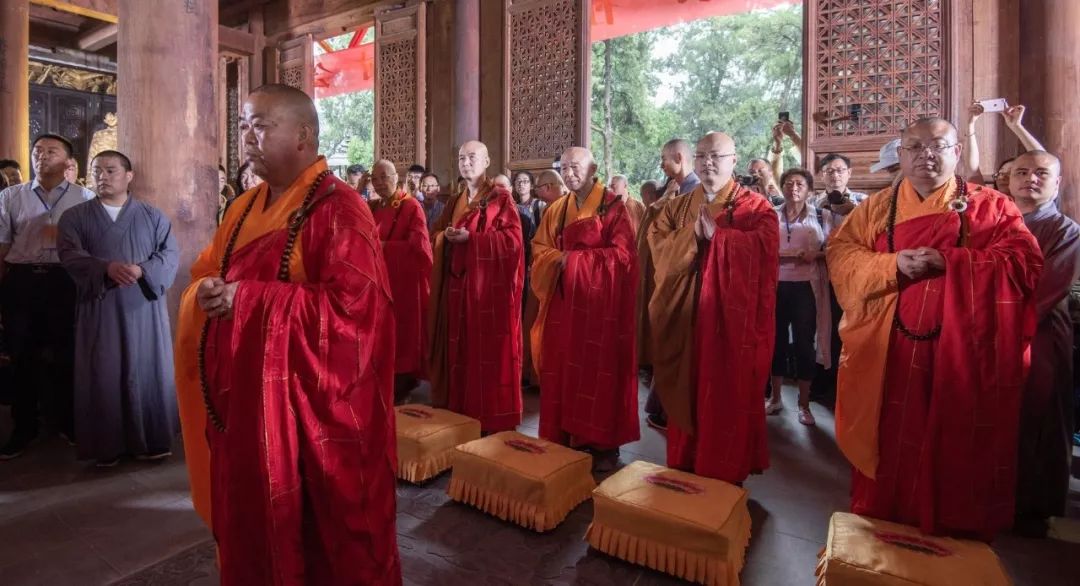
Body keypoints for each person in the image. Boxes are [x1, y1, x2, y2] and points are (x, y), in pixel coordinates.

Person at [174, 84, 401, 584]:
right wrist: (207, 293)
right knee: (253, 530)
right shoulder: (241, 209)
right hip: (245, 407)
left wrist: (249, 299)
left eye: (260, 125)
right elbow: (204, 273)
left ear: (303, 135)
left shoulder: (340, 210)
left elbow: (357, 316)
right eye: (242, 126)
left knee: (326, 542)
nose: (246, 137)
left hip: (314, 420)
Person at [827, 117, 1042, 540]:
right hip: (889, 350)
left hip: (961, 355)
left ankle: (951, 532)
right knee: (890, 439)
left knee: (953, 444)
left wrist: (955, 263)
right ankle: (881, 527)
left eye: (938, 146)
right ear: (901, 155)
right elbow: (840, 255)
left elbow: (1025, 263)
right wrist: (890, 265)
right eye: (915, 147)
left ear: (957, 153)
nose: (927, 155)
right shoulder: (874, 209)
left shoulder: (991, 206)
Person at [648, 131, 779, 484]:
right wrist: (690, 238)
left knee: (725, 392)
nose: (708, 163)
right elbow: (657, 245)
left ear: (733, 160)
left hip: (730, 323)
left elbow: (766, 251)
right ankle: (684, 459)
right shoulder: (677, 206)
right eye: (702, 155)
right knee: (687, 386)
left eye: (716, 156)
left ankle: (725, 469)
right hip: (688, 316)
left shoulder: (757, 207)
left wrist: (720, 239)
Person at [57, 150, 180, 467]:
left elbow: (169, 255)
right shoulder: (75, 217)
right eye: (97, 171)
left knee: (147, 368)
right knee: (103, 370)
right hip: (101, 304)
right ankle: (106, 445)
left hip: (142, 304)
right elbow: (69, 255)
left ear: (129, 176)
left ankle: (152, 440)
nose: (103, 176)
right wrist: (105, 268)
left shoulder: (153, 216)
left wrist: (143, 271)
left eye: (111, 170)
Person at [531, 147, 639, 472]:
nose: (569, 173)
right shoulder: (557, 208)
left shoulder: (613, 207)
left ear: (592, 169)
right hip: (564, 304)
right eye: (564, 167)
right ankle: (563, 435)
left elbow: (624, 258)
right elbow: (539, 248)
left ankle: (600, 443)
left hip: (599, 309)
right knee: (562, 368)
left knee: (598, 373)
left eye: (576, 166)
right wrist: (557, 260)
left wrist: (574, 260)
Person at [0, 134, 95, 459]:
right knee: (21, 354)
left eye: (51, 151)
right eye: (37, 151)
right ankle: (24, 427)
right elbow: (2, 246)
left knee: (68, 353)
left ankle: (68, 422)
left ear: (68, 162)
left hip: (65, 281)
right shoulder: (12, 197)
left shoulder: (85, 198)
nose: (42, 156)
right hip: (24, 281)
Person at [427, 140, 524, 433]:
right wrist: (446, 236)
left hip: (485, 294)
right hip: (456, 289)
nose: (466, 163)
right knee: (458, 353)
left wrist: (473, 241)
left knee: (483, 356)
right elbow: (435, 234)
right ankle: (458, 412)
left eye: (472, 157)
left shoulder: (500, 199)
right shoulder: (456, 201)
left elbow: (513, 242)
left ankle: (488, 418)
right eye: (461, 158)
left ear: (486, 161)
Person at [1008, 151, 1080, 537]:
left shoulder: (1064, 230)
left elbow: (1047, 289)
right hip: (992, 333)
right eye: (1021, 172)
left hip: (1040, 335)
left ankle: (1033, 507)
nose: (1030, 179)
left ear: (1057, 182)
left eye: (1041, 173)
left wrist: (995, 319)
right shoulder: (997, 221)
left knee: (1039, 416)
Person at [765, 168, 837, 426]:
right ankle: (775, 398)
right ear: (782, 187)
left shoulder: (822, 214)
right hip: (776, 286)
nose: (793, 188)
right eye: (788, 183)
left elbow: (835, 249)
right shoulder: (770, 216)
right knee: (776, 342)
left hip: (807, 286)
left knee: (805, 344)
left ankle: (804, 405)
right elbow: (761, 248)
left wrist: (815, 255)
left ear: (808, 189)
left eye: (799, 184)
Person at [642, 138, 701, 429]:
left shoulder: (695, 191)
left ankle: (671, 411)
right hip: (669, 275)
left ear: (679, 156)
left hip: (687, 280)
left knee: (679, 348)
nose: (662, 164)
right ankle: (662, 408)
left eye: (664, 158)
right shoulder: (675, 190)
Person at [369, 159, 432, 404]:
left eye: (384, 177)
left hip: (402, 284)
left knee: (401, 334)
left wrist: (386, 248)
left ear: (397, 177)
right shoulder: (373, 207)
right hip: (377, 283)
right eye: (375, 179)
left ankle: (402, 381)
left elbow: (421, 248)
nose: (379, 183)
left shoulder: (411, 206)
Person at [964, 103, 1044, 188]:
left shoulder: (1031, 199)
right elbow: (973, 170)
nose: (1002, 178)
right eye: (1000, 173)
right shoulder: (989, 199)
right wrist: (970, 125)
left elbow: (1043, 161)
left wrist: (1016, 126)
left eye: (1010, 173)